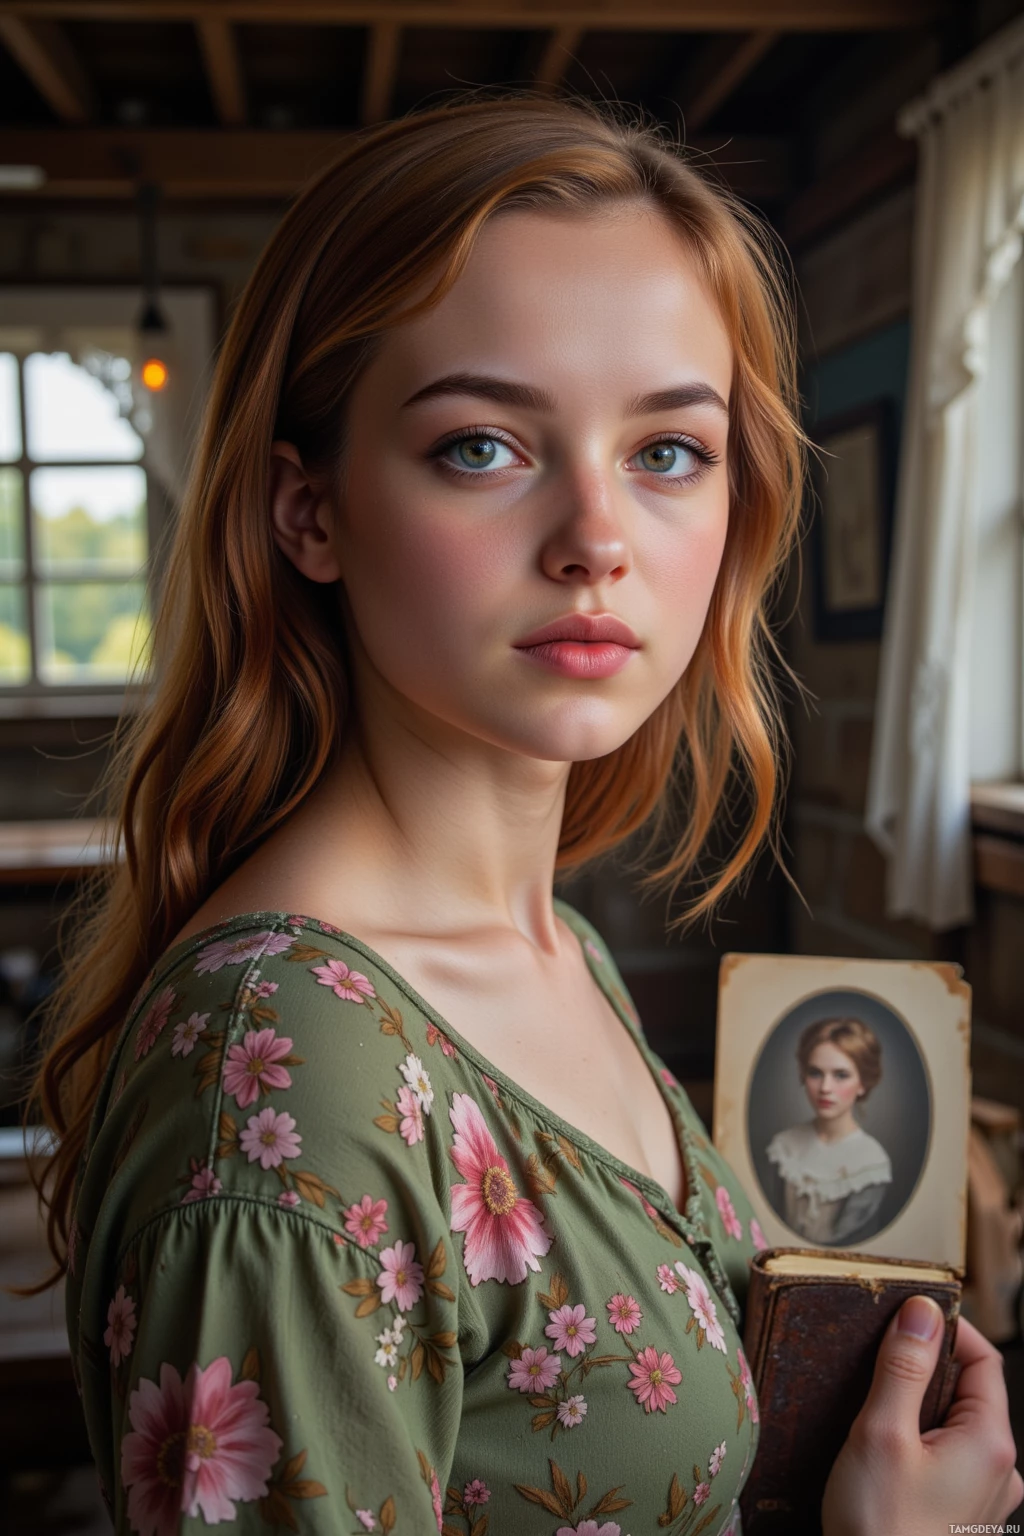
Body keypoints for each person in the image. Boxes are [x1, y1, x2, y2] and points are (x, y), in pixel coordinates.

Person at [29, 95, 1019, 1535]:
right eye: (484, 446)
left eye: (668, 452)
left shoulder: (557, 943)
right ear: (308, 512)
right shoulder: (291, 1080)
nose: (597, 541)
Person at [764, 1017, 893, 1246]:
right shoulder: (784, 1146)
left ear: (863, 1083)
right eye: (815, 1073)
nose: (825, 1088)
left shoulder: (871, 1163)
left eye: (841, 1075)